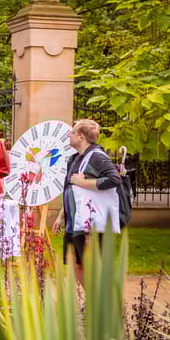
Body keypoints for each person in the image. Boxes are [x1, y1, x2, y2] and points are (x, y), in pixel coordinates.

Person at [52, 119, 122, 287]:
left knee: (90, 264)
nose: (69, 135)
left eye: (72, 132)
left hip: (88, 222)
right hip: (74, 221)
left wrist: (85, 183)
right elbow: (72, 190)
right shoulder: (75, 158)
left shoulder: (97, 156)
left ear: (81, 136)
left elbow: (115, 179)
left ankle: (99, 303)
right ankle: (91, 302)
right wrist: (61, 216)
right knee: (75, 263)